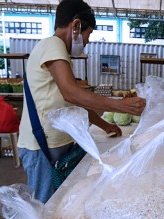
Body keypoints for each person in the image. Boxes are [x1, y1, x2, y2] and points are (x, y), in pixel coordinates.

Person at [18, 0, 146, 203]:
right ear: (76, 25)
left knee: (58, 203)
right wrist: (119, 105)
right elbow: (71, 93)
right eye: (89, 34)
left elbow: (71, 103)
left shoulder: (58, 52)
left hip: (54, 145)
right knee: (45, 208)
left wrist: (105, 125)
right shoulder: (53, 45)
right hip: (41, 146)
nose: (87, 41)